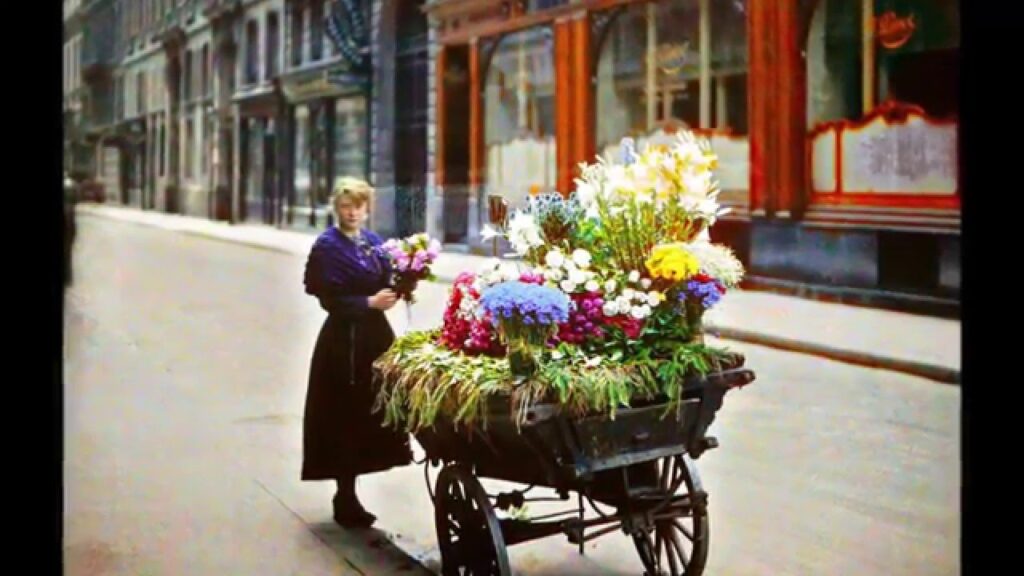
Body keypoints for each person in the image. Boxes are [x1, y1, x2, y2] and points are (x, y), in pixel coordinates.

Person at [301, 177, 412, 528]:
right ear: (337, 208)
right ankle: (344, 495)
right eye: (347, 206)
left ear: (367, 209)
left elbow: (387, 278)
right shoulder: (327, 247)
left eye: (359, 206)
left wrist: (402, 286)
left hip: (375, 337)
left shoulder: (373, 242)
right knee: (344, 414)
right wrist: (368, 302)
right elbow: (328, 299)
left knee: (372, 409)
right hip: (343, 342)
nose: (353, 212)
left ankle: (355, 488)